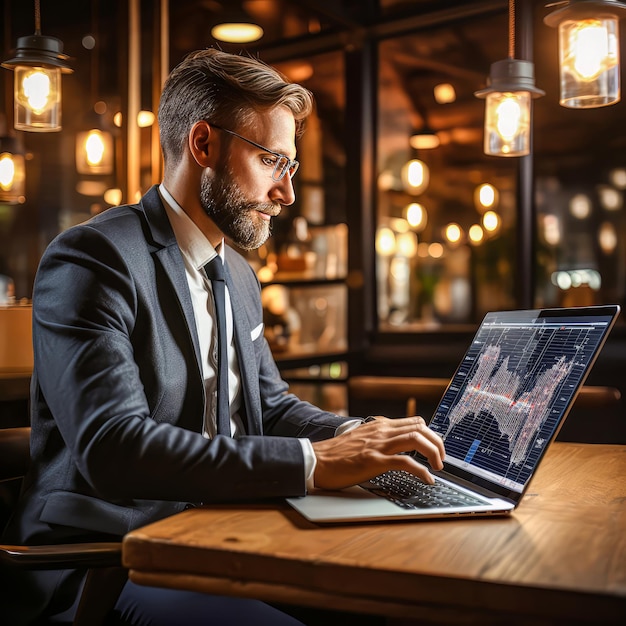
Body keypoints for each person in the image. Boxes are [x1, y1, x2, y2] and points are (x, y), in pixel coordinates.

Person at [0, 48, 445, 625]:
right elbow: (114, 447)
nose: (284, 194)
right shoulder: (95, 258)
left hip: (223, 533)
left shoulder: (236, 271)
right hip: (109, 560)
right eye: (271, 162)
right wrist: (314, 462)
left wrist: (357, 435)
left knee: (387, 603)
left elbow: (270, 406)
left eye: (290, 169)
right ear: (203, 144)